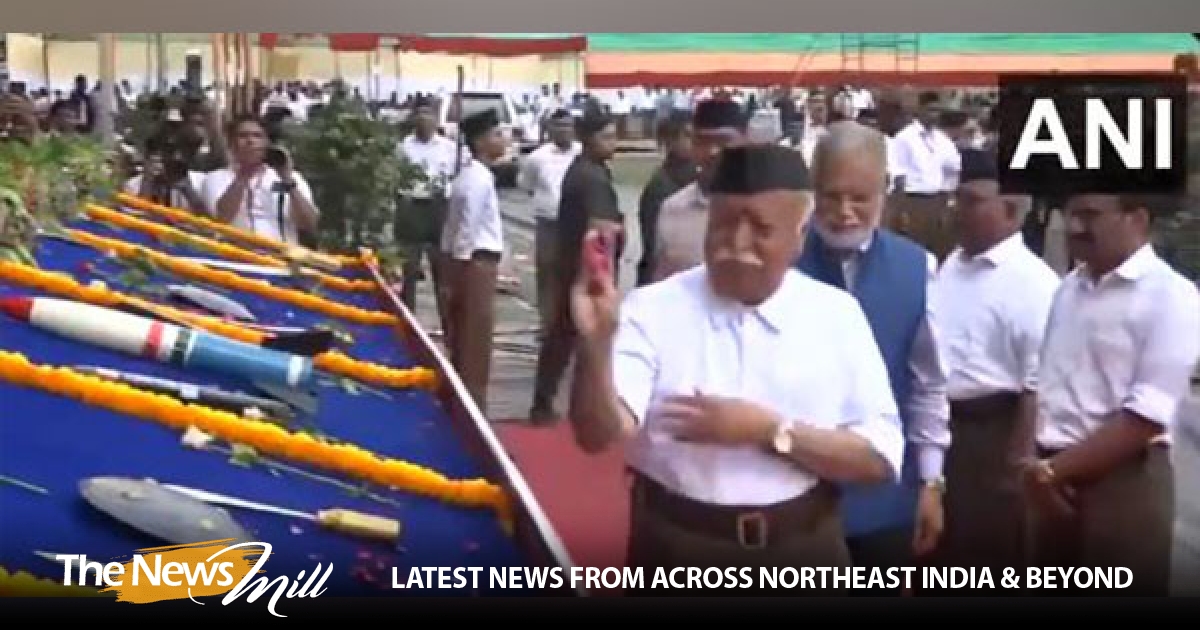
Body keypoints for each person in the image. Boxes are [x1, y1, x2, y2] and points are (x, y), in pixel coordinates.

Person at [567, 144, 904, 594]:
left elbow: (878, 459)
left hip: (805, 551)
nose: (737, 244)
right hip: (678, 551)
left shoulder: (836, 315)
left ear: (799, 235)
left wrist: (769, 431)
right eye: (725, 224)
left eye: (761, 229)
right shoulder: (653, 309)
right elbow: (597, 434)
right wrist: (595, 344)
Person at [793, 121, 950, 594]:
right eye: (830, 195)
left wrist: (930, 482)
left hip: (886, 501)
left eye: (859, 197)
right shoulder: (782, 266)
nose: (844, 212)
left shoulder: (918, 267)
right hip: (796, 499)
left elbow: (928, 384)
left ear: (885, 190)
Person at [1023, 193, 1200, 596]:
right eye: (1070, 214)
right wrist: (1037, 468)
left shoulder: (1172, 295)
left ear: (1136, 219)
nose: (1074, 228)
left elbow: (1147, 415)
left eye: (1090, 216)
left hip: (1123, 482)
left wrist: (1054, 472)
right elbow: (1045, 382)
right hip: (1052, 477)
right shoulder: (1069, 289)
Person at [929, 148, 1059, 586]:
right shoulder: (952, 265)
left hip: (992, 436)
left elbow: (1038, 383)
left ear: (1010, 209)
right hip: (942, 429)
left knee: (986, 557)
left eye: (970, 201)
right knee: (937, 552)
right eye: (956, 199)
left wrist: (1016, 467)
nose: (957, 210)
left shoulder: (1034, 284)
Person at [529, 112, 621, 423]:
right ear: (589, 139)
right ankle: (564, 406)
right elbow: (600, 229)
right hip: (584, 270)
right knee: (578, 337)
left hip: (571, 263)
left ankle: (546, 402)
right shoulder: (591, 176)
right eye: (606, 137)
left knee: (563, 336)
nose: (613, 143)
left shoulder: (586, 170)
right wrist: (600, 276)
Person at [439, 109, 508, 414]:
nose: (503, 140)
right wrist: (459, 271)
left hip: (469, 262)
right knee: (475, 345)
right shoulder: (478, 180)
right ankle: (474, 411)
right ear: (480, 142)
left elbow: (451, 229)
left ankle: (464, 404)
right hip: (475, 264)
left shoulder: (470, 176)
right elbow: (466, 229)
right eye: (496, 134)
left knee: (466, 339)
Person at [648, 100, 748, 283]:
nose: (712, 151)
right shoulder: (672, 208)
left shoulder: (767, 207)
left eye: (723, 142)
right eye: (703, 141)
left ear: (745, 142)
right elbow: (661, 278)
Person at [200, 114, 319, 244]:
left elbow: (310, 224)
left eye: (257, 136)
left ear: (266, 143)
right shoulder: (215, 177)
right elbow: (221, 219)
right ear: (231, 143)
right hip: (236, 255)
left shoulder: (291, 176)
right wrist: (243, 176)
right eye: (243, 136)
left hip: (281, 256)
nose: (250, 141)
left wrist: (288, 181)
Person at [518, 109, 582, 329]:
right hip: (549, 222)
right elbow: (527, 186)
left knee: (575, 272)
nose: (564, 131)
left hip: (575, 223)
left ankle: (572, 322)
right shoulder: (537, 158)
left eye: (568, 126)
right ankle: (547, 322)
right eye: (559, 126)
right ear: (549, 129)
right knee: (547, 272)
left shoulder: (581, 154)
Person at [396, 95, 460, 311]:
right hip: (410, 209)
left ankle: (448, 325)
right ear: (413, 117)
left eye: (429, 114)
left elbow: (458, 177)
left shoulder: (449, 148)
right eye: (420, 113)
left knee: (443, 275)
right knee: (409, 273)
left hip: (438, 209)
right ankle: (408, 323)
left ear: (436, 118)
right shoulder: (403, 147)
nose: (424, 119)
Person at [888, 91, 961, 260]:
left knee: (938, 251)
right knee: (912, 252)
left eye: (937, 111)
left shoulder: (942, 139)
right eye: (930, 110)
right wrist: (901, 209)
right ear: (919, 111)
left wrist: (948, 200)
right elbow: (898, 174)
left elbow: (955, 165)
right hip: (913, 200)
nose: (934, 115)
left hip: (936, 200)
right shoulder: (905, 138)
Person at [635, 113, 696, 287]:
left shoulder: (697, 177)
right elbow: (655, 246)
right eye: (688, 135)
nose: (695, 142)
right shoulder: (661, 186)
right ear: (670, 141)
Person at [123, 137, 206, 211]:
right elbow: (135, 216)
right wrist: (147, 180)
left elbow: (205, 217)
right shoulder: (132, 185)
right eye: (156, 160)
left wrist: (187, 190)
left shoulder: (197, 181)